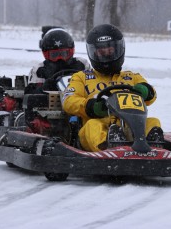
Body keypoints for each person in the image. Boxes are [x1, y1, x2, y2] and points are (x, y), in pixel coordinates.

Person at [62, 24, 163, 152]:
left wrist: (144, 90)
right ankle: (111, 147)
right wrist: (91, 106)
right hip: (96, 129)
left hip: (130, 128)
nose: (106, 55)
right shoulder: (82, 77)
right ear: (93, 52)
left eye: (110, 50)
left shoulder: (131, 77)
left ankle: (154, 148)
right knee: (92, 126)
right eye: (101, 52)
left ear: (119, 49)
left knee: (153, 122)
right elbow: (68, 101)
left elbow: (151, 96)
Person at [24, 27, 90, 134]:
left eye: (64, 54)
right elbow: (31, 96)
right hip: (53, 110)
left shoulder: (82, 64)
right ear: (46, 54)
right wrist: (45, 87)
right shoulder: (40, 69)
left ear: (71, 51)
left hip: (79, 104)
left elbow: (92, 85)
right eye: (54, 55)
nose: (60, 59)